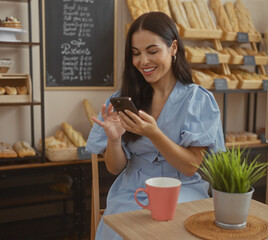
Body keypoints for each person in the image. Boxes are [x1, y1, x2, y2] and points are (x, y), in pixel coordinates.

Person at [86, 11, 225, 240]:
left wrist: (154, 134)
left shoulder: (196, 99)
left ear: (173, 48)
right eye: (136, 53)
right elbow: (114, 168)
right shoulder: (124, 97)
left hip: (182, 189)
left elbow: (190, 166)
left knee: (173, 231)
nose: (143, 61)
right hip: (132, 191)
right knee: (124, 231)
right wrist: (113, 140)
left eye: (152, 51)